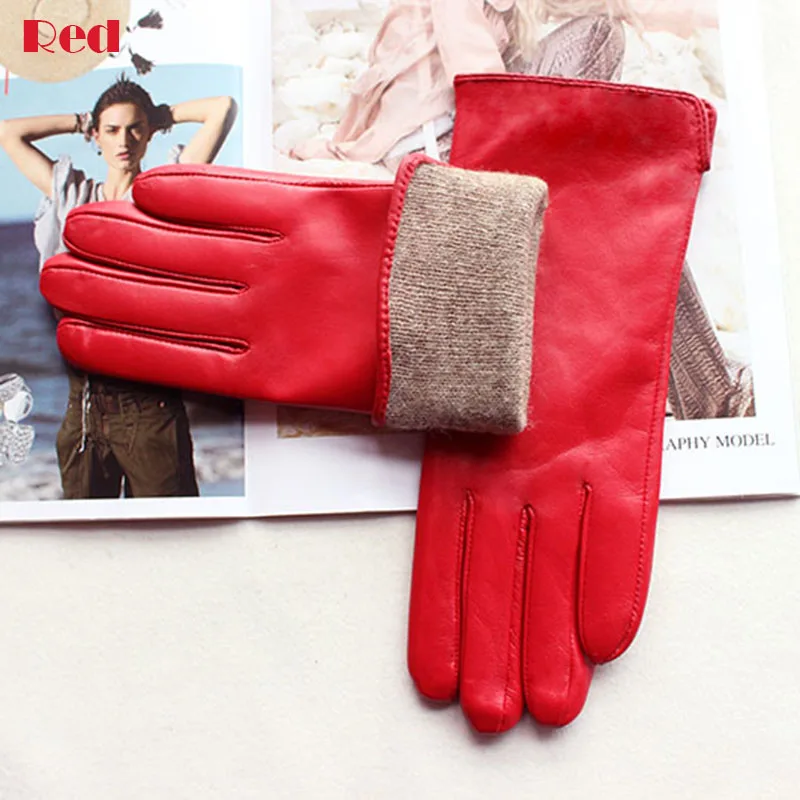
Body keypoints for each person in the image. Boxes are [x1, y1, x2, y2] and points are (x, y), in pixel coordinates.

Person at [291, 0, 753, 419]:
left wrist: (735, 17)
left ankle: (711, 393)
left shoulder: (513, 10)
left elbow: (618, 8)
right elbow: (479, 81)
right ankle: (714, 395)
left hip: (482, 134)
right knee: (596, 40)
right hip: (448, 148)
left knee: (600, 34)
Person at [0, 75, 238, 498]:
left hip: (148, 405)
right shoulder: (73, 197)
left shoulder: (163, 198)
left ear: (149, 133)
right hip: (83, 408)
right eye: (111, 130)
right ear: (96, 136)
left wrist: (161, 115)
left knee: (168, 532)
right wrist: (80, 120)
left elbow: (221, 107)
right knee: (89, 535)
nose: (124, 140)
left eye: (135, 128)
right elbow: (8, 132)